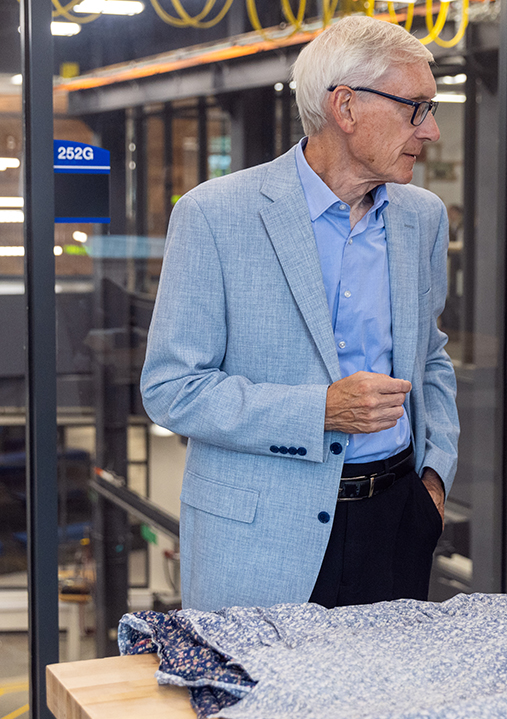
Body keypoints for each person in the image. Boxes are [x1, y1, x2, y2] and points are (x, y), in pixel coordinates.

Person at [140, 16, 460, 612]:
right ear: (346, 107)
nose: (433, 129)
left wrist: (434, 479)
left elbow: (431, 356)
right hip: (261, 535)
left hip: (396, 519)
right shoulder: (215, 215)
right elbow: (171, 390)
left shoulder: (423, 218)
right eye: (417, 107)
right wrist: (320, 411)